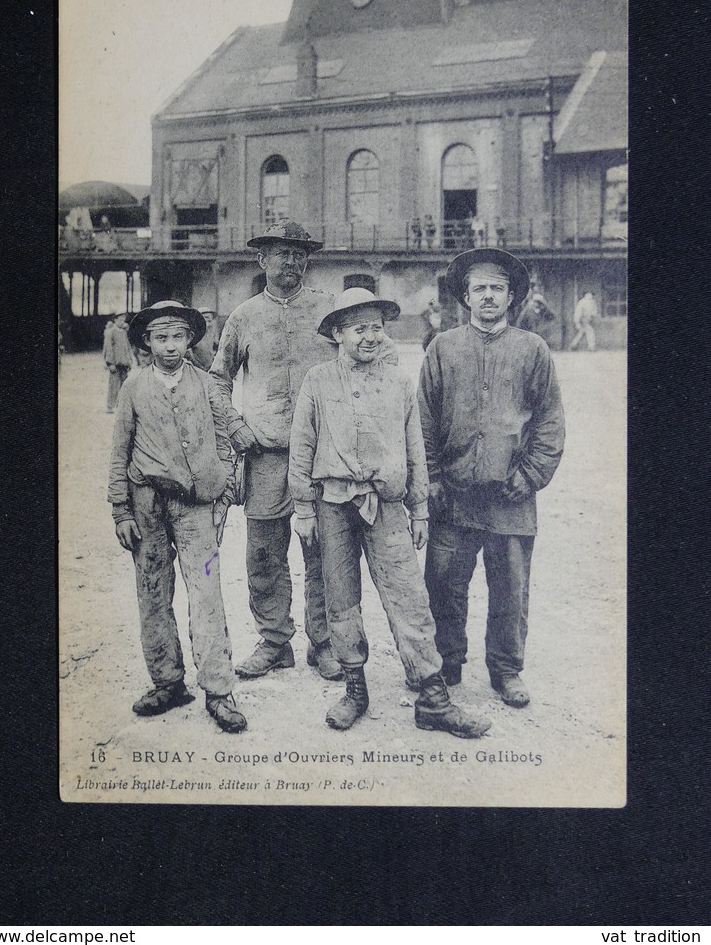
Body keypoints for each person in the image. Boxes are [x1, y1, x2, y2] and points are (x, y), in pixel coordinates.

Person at [289, 289, 492, 739]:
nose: (369, 336)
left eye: (376, 328)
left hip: (387, 506)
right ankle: (354, 689)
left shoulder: (400, 382)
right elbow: (301, 447)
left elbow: (415, 448)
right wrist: (303, 506)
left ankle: (433, 697)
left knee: (409, 595)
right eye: (358, 328)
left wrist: (419, 508)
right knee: (340, 596)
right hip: (332, 505)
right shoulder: (317, 380)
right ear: (338, 334)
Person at [418, 248, 565, 709]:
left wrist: (531, 475)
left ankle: (506, 670)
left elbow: (549, 422)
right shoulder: (442, 347)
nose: (487, 296)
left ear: (510, 296)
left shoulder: (532, 350)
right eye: (478, 288)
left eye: (496, 288)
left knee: (510, 588)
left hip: (510, 494)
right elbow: (422, 422)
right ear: (465, 296)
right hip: (454, 496)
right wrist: (433, 479)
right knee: (443, 584)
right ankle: (446, 663)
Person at [209, 221, 345, 682]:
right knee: (264, 554)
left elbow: (366, 363)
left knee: (323, 551)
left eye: (298, 254)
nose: (290, 261)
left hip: (323, 460)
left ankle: (323, 644)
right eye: (280, 253)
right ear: (261, 260)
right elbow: (216, 380)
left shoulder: (329, 313)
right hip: (265, 458)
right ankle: (273, 641)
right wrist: (234, 425)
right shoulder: (243, 316)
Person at [107, 300, 246, 733]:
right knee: (152, 592)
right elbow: (119, 453)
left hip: (195, 508)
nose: (171, 346)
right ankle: (168, 681)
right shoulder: (132, 387)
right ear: (146, 341)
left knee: (205, 593)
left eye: (179, 337)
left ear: (191, 340)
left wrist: (222, 497)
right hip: (146, 505)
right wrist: (120, 510)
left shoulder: (207, 385)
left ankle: (219, 690)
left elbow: (229, 440)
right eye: (161, 337)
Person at [104, 312, 133, 412]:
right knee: (113, 384)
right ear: (115, 320)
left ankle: (122, 405)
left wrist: (129, 361)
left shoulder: (124, 333)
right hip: (115, 363)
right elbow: (108, 348)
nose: (122, 322)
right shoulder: (111, 332)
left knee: (124, 385)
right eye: (120, 320)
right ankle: (110, 406)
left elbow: (127, 348)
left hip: (124, 363)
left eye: (123, 320)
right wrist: (110, 363)